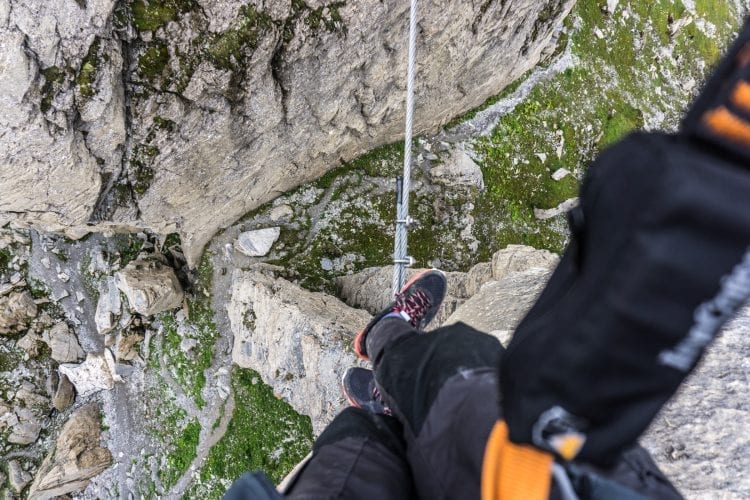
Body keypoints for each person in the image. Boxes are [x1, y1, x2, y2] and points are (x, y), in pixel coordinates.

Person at [225, 19, 750, 500]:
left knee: (399, 408)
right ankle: (386, 374)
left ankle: (385, 359)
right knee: (453, 372)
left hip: (516, 477)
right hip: (531, 479)